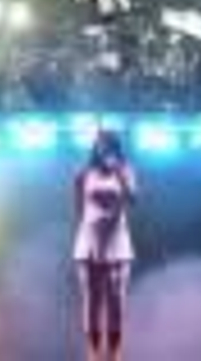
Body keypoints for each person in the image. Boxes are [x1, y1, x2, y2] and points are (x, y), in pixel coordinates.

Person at [74, 129, 137, 361]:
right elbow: (78, 207)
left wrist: (119, 172)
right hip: (89, 243)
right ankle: (93, 354)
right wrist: (90, 227)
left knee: (116, 301)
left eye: (108, 145)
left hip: (118, 243)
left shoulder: (126, 170)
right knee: (91, 301)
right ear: (95, 148)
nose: (103, 149)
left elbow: (133, 198)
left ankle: (113, 354)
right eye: (99, 145)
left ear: (116, 147)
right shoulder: (84, 173)